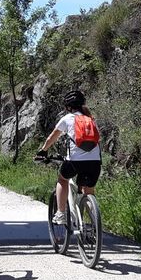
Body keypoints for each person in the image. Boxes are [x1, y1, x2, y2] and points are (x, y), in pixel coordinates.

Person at [35, 90, 101, 226]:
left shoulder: (67, 119)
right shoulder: (91, 119)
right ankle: (95, 224)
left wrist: (43, 151)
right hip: (95, 162)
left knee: (62, 179)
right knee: (88, 191)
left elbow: (52, 137)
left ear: (68, 107)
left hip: (75, 161)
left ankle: (60, 213)